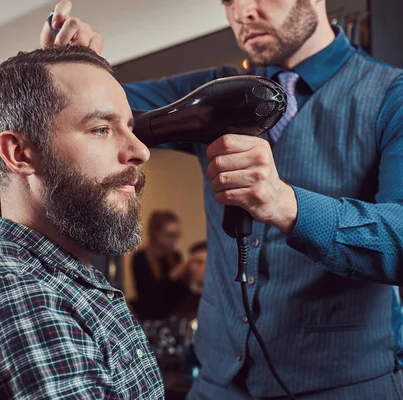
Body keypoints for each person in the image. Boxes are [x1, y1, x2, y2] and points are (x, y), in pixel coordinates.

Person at [40, 0, 403, 399]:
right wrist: (73, 69)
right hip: (215, 386)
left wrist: (287, 205)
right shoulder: (214, 94)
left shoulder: (391, 96)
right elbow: (98, 113)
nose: (242, 12)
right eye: (229, 0)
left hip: (345, 387)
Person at [0, 45, 165, 399]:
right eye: (100, 129)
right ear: (20, 154)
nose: (140, 151)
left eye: (129, 127)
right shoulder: (15, 298)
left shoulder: (62, 283)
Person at [130, 209, 190, 320]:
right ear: (156, 234)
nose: (174, 240)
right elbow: (149, 297)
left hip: (174, 319)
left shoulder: (176, 256)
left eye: (177, 235)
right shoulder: (140, 258)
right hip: (150, 320)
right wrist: (174, 274)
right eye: (170, 235)